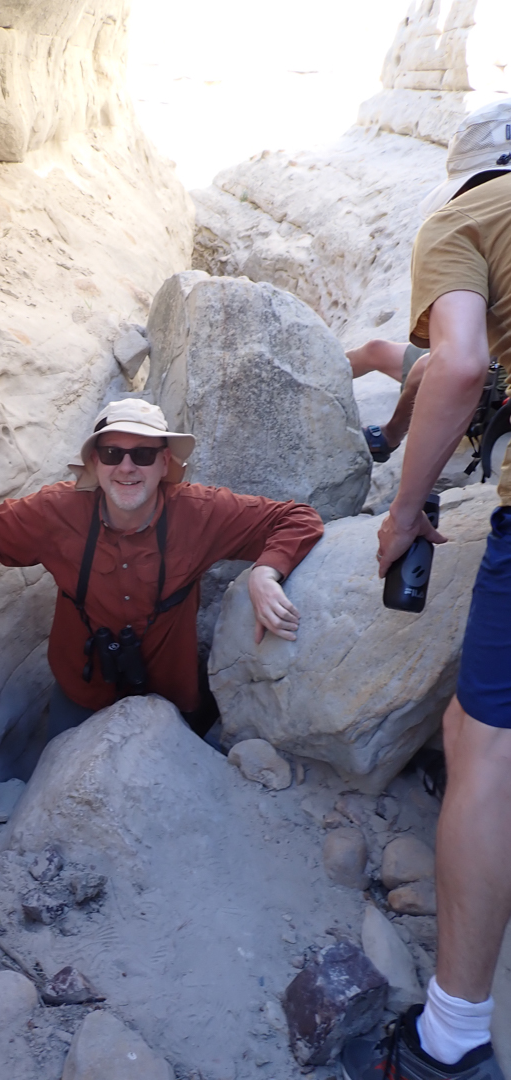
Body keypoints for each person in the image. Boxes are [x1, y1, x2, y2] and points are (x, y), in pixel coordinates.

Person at [0, 399, 323, 739]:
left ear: (164, 463)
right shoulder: (59, 512)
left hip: (173, 695)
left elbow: (295, 517)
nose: (126, 467)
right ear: (94, 462)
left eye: (143, 454)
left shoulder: (201, 512)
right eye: (112, 453)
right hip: (82, 692)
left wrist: (265, 572)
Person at [342, 101, 511, 1080]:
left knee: (483, 741)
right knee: (461, 729)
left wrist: (403, 510)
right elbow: (422, 369)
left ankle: (448, 1043)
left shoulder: (467, 217)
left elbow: (456, 362)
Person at [346, 339, 430, 461]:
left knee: (424, 367)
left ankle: (390, 436)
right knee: (374, 350)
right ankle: (312, 378)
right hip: (452, 351)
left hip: (458, 374)